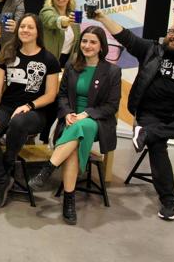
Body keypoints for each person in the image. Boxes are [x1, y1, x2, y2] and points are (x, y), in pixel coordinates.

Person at [95, 10, 174, 221]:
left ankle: (146, 133)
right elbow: (125, 37)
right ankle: (169, 200)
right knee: (157, 146)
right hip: (150, 112)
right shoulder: (151, 50)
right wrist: (101, 18)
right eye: (173, 31)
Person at [28, 26, 121, 225]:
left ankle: (48, 168)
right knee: (73, 145)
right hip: (70, 119)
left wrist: (86, 114)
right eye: (85, 41)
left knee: (81, 127)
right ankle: (68, 201)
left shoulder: (112, 71)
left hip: (96, 121)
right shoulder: (72, 66)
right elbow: (61, 96)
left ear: (101, 46)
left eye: (93, 42)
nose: (87, 46)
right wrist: (68, 113)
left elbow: (111, 106)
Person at [0, 13, 60, 208]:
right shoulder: (8, 53)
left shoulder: (48, 59)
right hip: (7, 107)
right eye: (22, 26)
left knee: (18, 122)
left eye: (30, 27)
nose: (25, 30)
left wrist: (29, 106)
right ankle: (2, 180)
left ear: (37, 31)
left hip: (37, 111)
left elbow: (51, 94)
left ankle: (8, 163)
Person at [39, 0, 80, 65]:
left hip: (68, 62)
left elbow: (77, 41)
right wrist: (63, 21)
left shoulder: (72, 14)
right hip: (48, 61)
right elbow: (52, 20)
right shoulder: (46, 11)